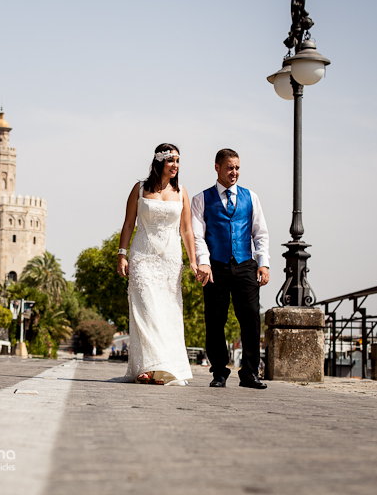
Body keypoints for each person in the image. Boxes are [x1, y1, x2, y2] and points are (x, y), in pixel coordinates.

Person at [116, 144, 197, 386]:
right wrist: (122, 254)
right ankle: (146, 367)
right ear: (159, 162)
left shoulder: (181, 191)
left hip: (170, 259)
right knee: (145, 308)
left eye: (178, 161)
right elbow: (129, 223)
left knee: (166, 312)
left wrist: (193, 261)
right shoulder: (140, 188)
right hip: (142, 256)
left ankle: (162, 368)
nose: (175, 165)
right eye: (171, 160)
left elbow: (186, 229)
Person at [191, 148, 270, 389]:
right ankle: (219, 372)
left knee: (251, 320)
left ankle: (249, 373)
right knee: (215, 321)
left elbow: (260, 233)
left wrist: (263, 263)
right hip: (215, 266)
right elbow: (197, 236)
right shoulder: (201, 199)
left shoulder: (251, 197)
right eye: (229, 167)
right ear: (217, 168)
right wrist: (203, 261)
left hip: (246, 264)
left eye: (237, 167)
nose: (234, 172)